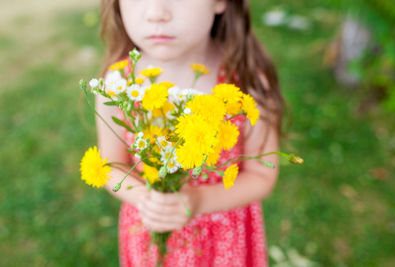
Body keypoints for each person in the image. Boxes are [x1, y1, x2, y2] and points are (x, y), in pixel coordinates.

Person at [95, 0, 285, 266]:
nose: (156, 13)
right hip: (149, 230)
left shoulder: (246, 84)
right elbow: (109, 165)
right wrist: (149, 201)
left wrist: (197, 201)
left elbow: (262, 174)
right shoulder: (117, 86)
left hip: (224, 239)